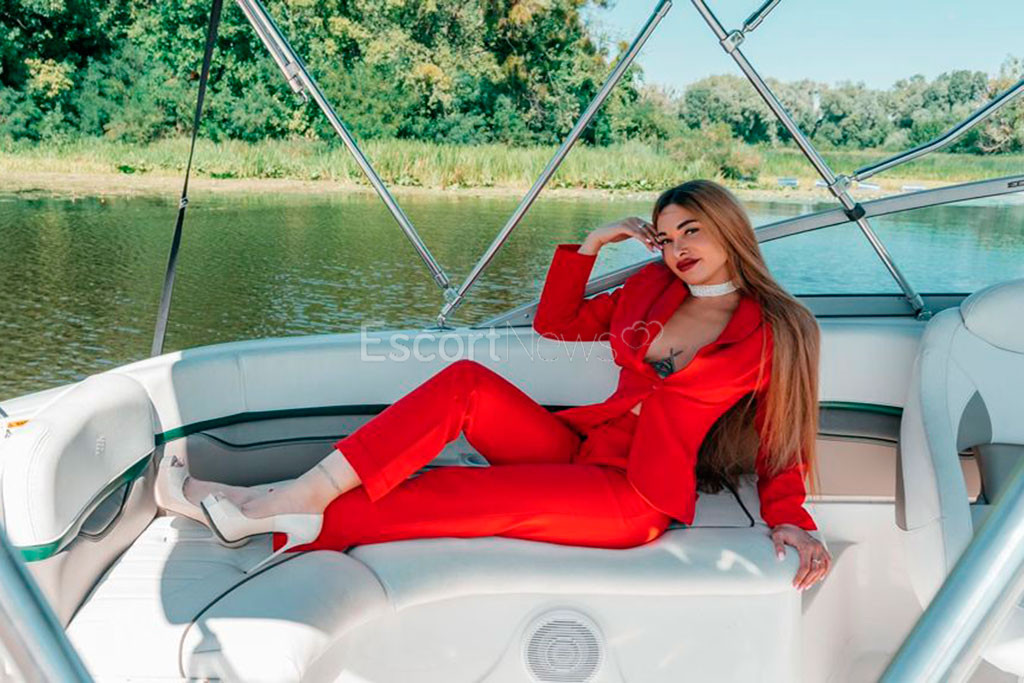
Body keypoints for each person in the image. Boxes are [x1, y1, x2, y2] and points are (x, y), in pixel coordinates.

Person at [157, 179, 831, 587]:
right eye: (664, 236)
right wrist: (591, 245)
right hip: (580, 447)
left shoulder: (779, 329)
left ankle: (258, 511)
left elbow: (782, 445)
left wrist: (793, 523)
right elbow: (556, 322)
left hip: (634, 494)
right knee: (466, 384)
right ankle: (296, 496)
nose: (677, 247)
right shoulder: (649, 287)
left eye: (691, 231)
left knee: (448, 494)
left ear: (729, 230)